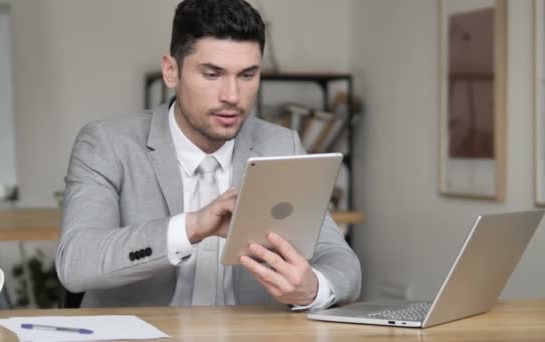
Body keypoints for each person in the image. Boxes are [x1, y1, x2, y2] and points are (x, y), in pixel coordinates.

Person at [56, 0, 360, 310]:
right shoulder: (108, 144)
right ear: (171, 71)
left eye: (246, 75)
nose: (232, 96)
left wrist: (313, 289)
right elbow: (76, 263)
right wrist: (192, 227)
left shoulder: (281, 145)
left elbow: (341, 260)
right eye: (212, 74)